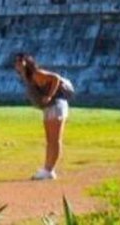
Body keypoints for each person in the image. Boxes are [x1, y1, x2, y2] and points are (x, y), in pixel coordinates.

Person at [14, 52, 71, 181]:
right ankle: (47, 168)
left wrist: (50, 95)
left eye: (20, 61)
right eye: (16, 62)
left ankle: (50, 169)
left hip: (56, 106)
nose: (17, 64)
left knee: (55, 139)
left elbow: (55, 78)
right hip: (48, 108)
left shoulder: (36, 73)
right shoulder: (27, 77)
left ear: (26, 62)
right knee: (50, 140)